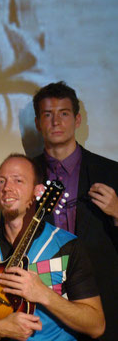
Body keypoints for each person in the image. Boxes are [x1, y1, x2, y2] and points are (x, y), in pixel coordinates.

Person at [0, 154, 105, 341]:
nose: (7, 188)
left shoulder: (67, 245)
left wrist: (44, 295)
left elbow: (96, 325)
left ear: (38, 191)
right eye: (1, 181)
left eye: (18, 180)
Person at [32, 81, 118, 341]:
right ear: (38, 123)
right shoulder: (23, 175)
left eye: (64, 113)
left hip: (104, 303)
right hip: (40, 312)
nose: (56, 122)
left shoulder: (111, 172)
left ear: (77, 119)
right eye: (48, 115)